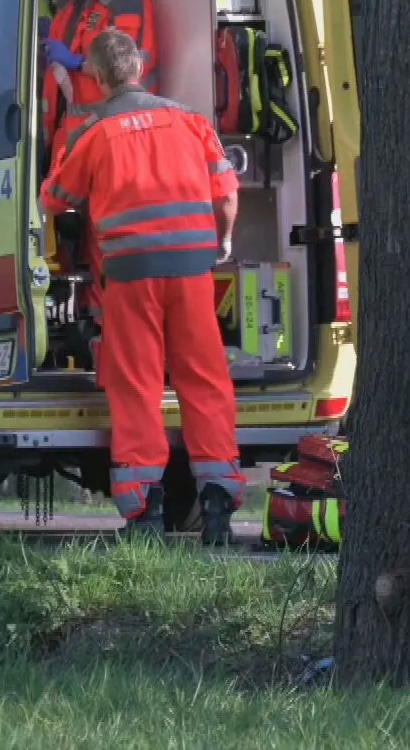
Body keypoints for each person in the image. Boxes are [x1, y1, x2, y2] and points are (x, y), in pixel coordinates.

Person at [39, 30, 244, 544]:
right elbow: (226, 193)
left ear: (100, 77)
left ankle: (144, 508)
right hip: (193, 270)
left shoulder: (94, 131)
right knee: (205, 380)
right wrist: (222, 241)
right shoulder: (190, 120)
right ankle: (217, 500)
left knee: (137, 386)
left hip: (131, 274)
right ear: (140, 69)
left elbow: (56, 197)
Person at [39, 0, 160, 166]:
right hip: (74, 142)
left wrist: (78, 63)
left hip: (117, 138)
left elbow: (130, 66)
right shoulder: (68, 5)